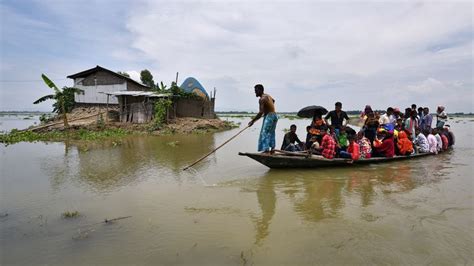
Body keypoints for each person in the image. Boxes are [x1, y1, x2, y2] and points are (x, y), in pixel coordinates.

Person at [248, 84, 278, 153]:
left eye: (256, 91)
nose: (255, 92)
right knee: (271, 133)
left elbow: (260, 112)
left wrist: (252, 121)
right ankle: (272, 149)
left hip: (269, 117)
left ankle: (266, 150)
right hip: (274, 115)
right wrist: (267, 109)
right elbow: (273, 101)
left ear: (261, 90)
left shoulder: (262, 99)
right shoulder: (268, 96)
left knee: (265, 133)